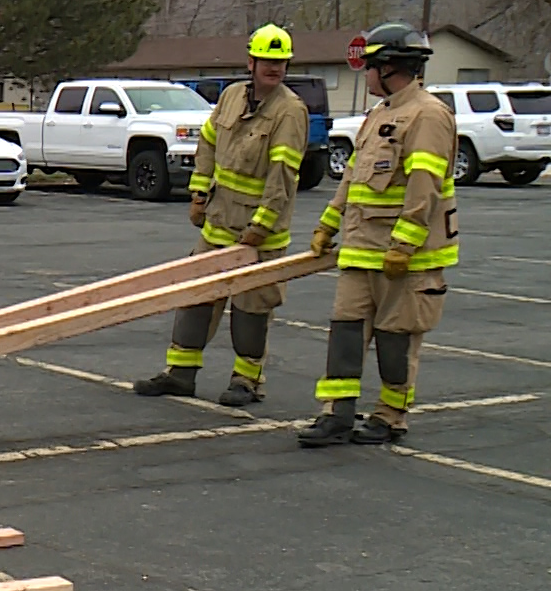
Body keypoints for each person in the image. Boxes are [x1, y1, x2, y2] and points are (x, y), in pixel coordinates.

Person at [299, 22, 459, 447]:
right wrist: (326, 227)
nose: (365, 74)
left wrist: (404, 245)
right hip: (361, 250)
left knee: (395, 341)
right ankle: (336, 415)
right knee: (345, 334)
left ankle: (390, 417)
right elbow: (352, 180)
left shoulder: (428, 116)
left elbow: (424, 187)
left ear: (388, 67)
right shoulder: (379, 115)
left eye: (369, 66)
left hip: (404, 260)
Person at [134, 24, 308, 407]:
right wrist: (199, 194)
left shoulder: (290, 112)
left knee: (250, 310)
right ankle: (180, 375)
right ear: (251, 61)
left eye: (281, 62)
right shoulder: (231, 98)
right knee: (195, 299)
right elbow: (208, 143)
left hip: (258, 235)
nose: (274, 68)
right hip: (218, 226)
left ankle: (247, 381)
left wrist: (260, 227)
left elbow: (283, 177)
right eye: (267, 61)